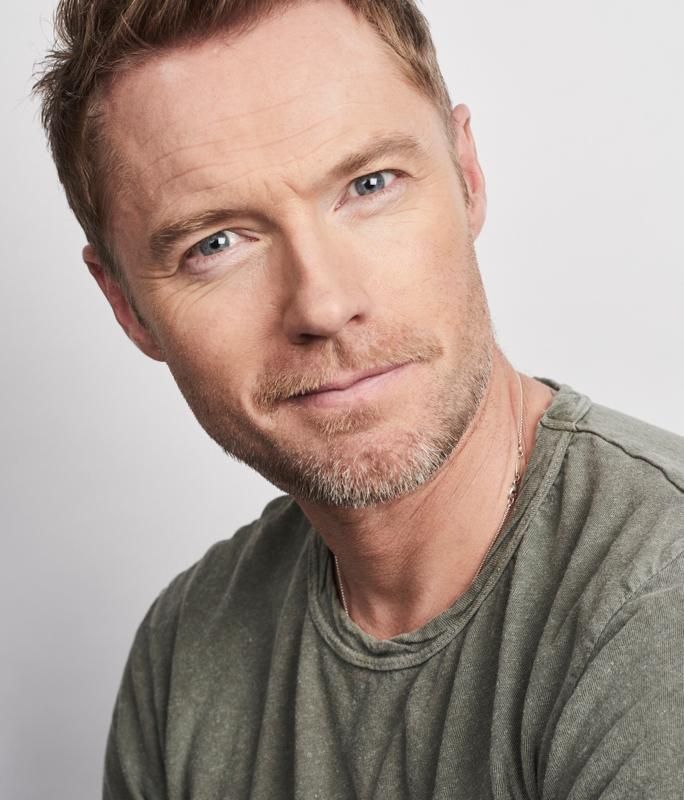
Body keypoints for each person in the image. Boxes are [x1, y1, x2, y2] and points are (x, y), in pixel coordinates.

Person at [35, 0, 683, 797]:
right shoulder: (183, 655)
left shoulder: (656, 603)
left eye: (369, 185)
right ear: (127, 306)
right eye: (217, 243)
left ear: (467, 176)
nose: (324, 303)